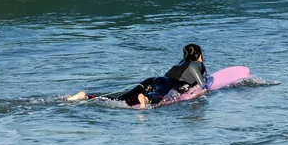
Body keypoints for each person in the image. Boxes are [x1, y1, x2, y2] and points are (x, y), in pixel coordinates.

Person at [67, 44, 207, 109]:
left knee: (121, 99)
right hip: (165, 84)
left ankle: (86, 97)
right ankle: (146, 98)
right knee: (158, 95)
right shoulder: (196, 65)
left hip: (153, 80)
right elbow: (203, 85)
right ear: (199, 55)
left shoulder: (182, 63)